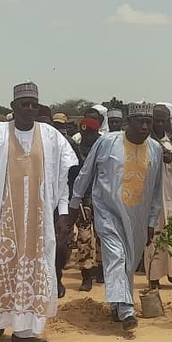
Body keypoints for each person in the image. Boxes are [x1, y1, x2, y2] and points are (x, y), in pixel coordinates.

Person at [0, 82, 77, 342]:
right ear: (13, 107)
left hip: (39, 223)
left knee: (36, 271)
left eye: (33, 105)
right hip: (3, 222)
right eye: (24, 104)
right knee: (2, 267)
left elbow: (62, 179)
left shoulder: (51, 137)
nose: (29, 109)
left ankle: (24, 332)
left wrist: (63, 212)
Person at [72, 102, 163, 331]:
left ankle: (116, 305)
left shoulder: (155, 149)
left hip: (138, 218)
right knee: (116, 256)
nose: (144, 127)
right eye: (140, 122)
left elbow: (156, 190)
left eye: (148, 122)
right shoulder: (107, 142)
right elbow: (86, 172)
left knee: (128, 263)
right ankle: (127, 311)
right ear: (128, 122)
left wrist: (151, 221)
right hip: (107, 213)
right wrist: (74, 203)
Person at [146, 104, 172, 290]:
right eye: (157, 121)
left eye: (163, 121)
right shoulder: (146, 142)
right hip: (153, 196)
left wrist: (171, 160)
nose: (160, 125)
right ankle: (154, 277)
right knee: (155, 235)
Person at [68, 116, 104, 292]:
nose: (87, 137)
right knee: (84, 239)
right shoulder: (75, 150)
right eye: (84, 133)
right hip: (83, 200)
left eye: (90, 133)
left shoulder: (104, 150)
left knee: (103, 236)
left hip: (102, 200)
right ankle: (86, 275)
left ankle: (102, 270)